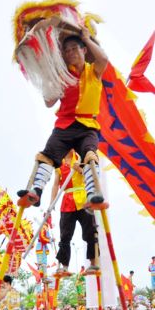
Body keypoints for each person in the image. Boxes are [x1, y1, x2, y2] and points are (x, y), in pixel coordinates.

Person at [17, 26, 108, 209]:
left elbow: (103, 59)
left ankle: (93, 195)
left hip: (87, 126)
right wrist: (47, 78)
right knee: (47, 155)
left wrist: (87, 38)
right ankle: (35, 192)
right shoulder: (63, 75)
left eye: (74, 48)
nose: (70, 53)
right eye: (66, 51)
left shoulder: (93, 71)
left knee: (90, 154)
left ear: (83, 50)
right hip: (64, 126)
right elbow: (49, 102)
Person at [50, 150, 98, 274]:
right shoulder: (59, 164)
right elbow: (56, 184)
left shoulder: (80, 157)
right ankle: (64, 266)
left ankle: (94, 263)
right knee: (65, 235)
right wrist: (52, 202)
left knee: (90, 232)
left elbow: (90, 176)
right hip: (67, 202)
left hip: (83, 199)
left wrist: (80, 169)